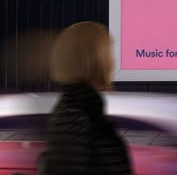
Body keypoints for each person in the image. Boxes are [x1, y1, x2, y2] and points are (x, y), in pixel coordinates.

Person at [40, 21, 133, 174]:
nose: (112, 61)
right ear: (94, 59)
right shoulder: (76, 114)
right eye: (108, 53)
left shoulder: (82, 108)